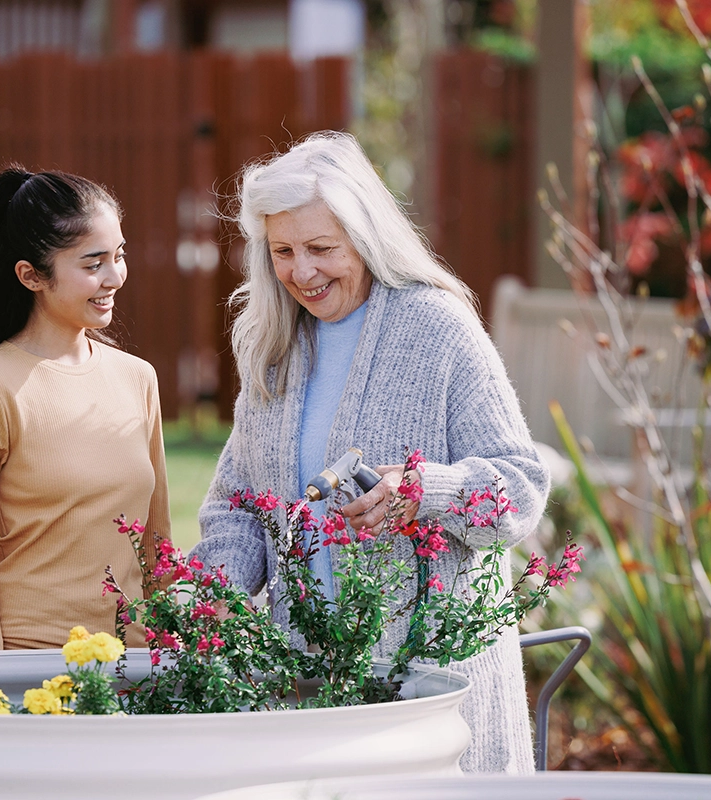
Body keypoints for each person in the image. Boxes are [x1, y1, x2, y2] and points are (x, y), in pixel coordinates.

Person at [192, 132, 550, 773]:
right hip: (312, 688)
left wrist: (424, 493)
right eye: (283, 251)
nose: (302, 271)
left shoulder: (439, 328)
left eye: (321, 248)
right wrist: (213, 591)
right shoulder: (272, 344)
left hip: (432, 687)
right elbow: (237, 505)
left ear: (366, 234)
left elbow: (520, 486)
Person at [0, 168, 171, 652]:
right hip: (32, 665)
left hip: (132, 665)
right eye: (93, 264)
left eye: (119, 255)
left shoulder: (137, 379)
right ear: (31, 275)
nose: (114, 277)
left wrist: (169, 652)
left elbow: (157, 542)